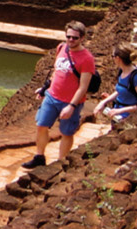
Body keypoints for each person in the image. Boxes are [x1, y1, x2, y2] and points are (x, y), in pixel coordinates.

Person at [24, 21, 96, 170]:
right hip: (52, 96)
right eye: (68, 36)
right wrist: (45, 88)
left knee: (66, 132)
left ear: (82, 38)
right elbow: (56, 72)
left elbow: (83, 87)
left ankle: (61, 162)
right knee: (41, 125)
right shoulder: (61, 48)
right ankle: (39, 156)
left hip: (70, 102)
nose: (70, 40)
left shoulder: (87, 59)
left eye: (74, 38)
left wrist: (71, 106)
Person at [98, 45, 137, 122]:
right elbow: (120, 90)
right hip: (117, 116)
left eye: (112, 56)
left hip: (130, 119)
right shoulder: (122, 71)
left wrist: (120, 110)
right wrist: (104, 101)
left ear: (118, 58)